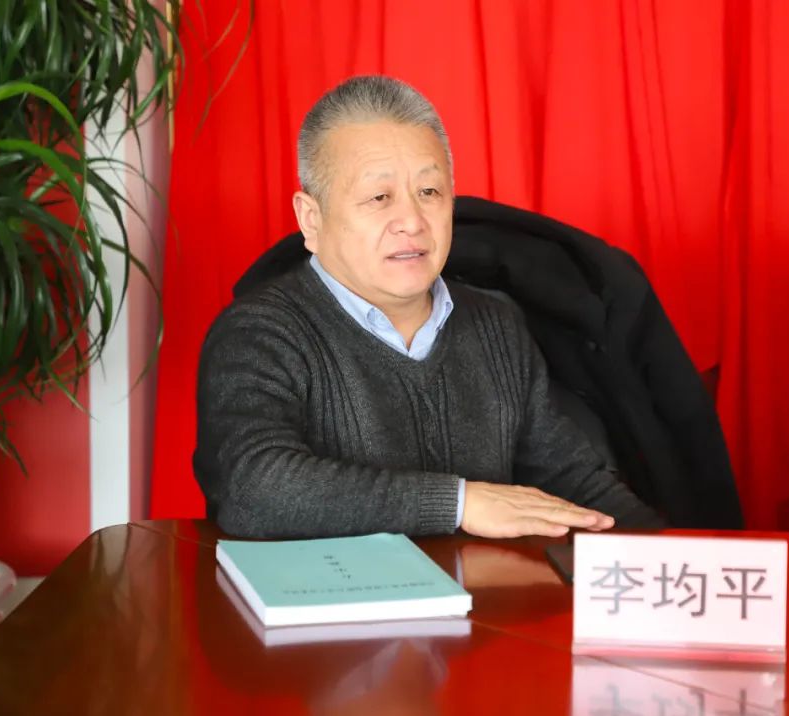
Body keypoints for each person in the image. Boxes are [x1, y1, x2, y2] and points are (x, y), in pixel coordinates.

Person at [194, 75, 663, 539]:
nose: (412, 221)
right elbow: (251, 489)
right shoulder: (259, 332)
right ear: (311, 219)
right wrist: (459, 503)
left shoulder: (496, 325)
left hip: (479, 591)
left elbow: (577, 484)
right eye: (379, 198)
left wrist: (677, 554)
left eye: (429, 193)